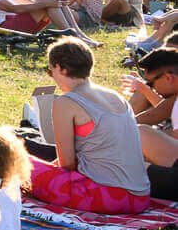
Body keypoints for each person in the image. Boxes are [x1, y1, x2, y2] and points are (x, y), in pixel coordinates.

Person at [27, 37, 155, 214]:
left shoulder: (66, 102)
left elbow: (67, 163)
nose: (52, 76)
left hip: (107, 196)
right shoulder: (115, 96)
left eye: (50, 71)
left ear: (59, 68)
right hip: (140, 197)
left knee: (18, 163)